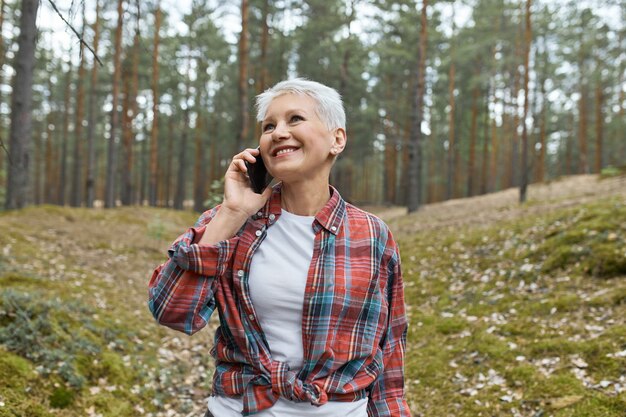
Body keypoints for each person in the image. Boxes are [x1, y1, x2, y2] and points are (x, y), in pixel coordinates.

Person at [148, 78, 410, 417]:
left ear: (337, 139)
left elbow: (390, 349)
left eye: (295, 119)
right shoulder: (231, 221)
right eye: (269, 125)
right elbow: (172, 312)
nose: (278, 132)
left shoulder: (372, 235)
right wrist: (232, 213)